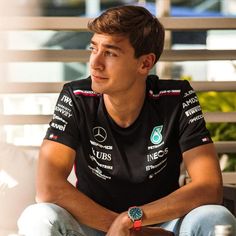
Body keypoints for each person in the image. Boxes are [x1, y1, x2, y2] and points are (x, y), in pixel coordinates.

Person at [18, 5, 236, 236]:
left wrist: (132, 219)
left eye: (110, 53)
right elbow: (48, 188)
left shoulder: (176, 98)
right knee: (38, 218)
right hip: (95, 225)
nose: (95, 63)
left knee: (216, 217)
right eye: (94, 49)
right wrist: (124, 228)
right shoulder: (77, 97)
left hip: (162, 225)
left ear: (144, 63)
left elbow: (208, 187)